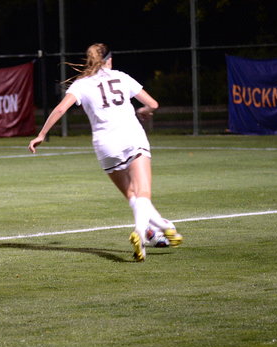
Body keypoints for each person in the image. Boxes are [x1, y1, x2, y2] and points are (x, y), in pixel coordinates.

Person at [28, 43, 183, 262]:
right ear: (108, 60)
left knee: (131, 195)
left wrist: (42, 134)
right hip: (131, 136)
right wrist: (144, 110)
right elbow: (153, 104)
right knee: (143, 193)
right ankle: (143, 231)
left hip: (105, 145)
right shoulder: (121, 76)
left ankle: (161, 228)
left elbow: (61, 108)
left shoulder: (81, 84)